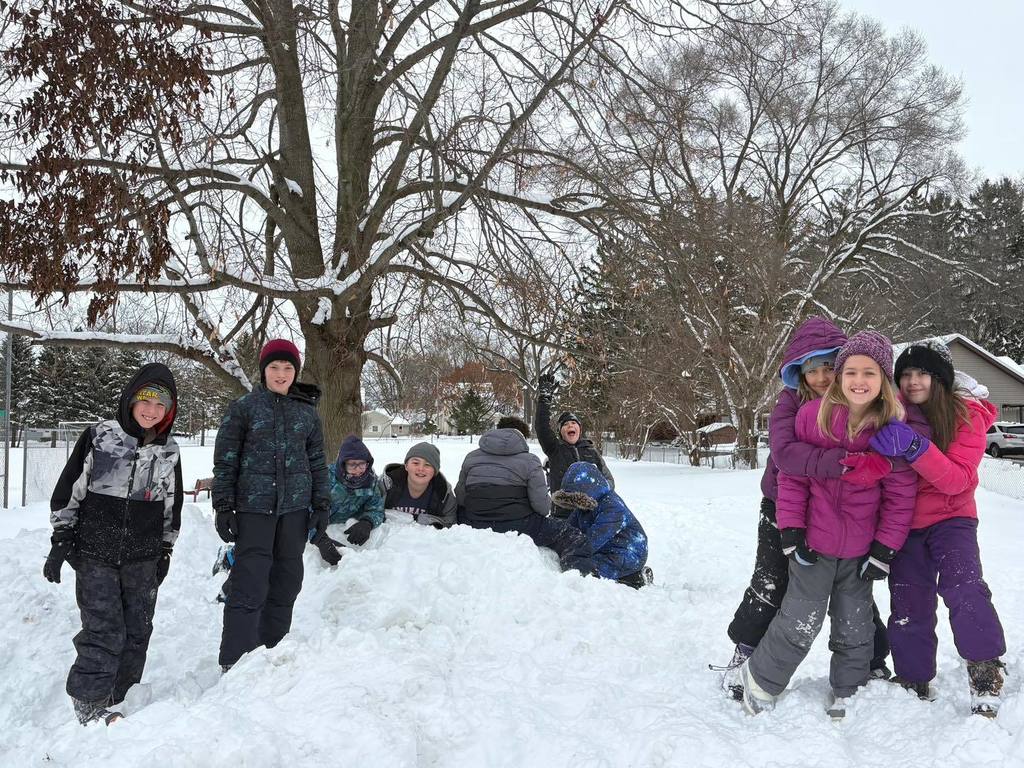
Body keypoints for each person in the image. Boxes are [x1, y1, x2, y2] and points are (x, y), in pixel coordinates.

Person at [738, 331, 918, 720]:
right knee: (800, 620)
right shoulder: (811, 417)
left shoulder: (891, 431)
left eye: (869, 372)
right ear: (839, 376)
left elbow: (900, 496)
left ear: (884, 380)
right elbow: (793, 477)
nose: (858, 380)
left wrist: (884, 549)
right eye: (850, 371)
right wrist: (790, 530)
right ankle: (762, 680)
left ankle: (848, 690)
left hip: (860, 551)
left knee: (855, 627)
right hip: (814, 547)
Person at [869, 340, 1007, 717]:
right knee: (908, 603)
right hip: (906, 524)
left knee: (964, 588)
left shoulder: (967, 414)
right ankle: (913, 677)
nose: (913, 381)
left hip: (952, 518)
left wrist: (915, 447)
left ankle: (985, 669)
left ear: (940, 378)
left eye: (922, 373)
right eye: (906, 374)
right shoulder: (892, 412)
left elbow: (957, 480)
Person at [44, 363, 183, 725]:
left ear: (168, 411)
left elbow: (172, 505)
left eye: (160, 405)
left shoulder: (169, 451)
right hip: (96, 552)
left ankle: (122, 697)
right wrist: (62, 538)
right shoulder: (99, 436)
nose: (151, 411)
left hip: (143, 554)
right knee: (103, 627)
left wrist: (165, 549)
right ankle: (89, 701)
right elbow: (69, 490)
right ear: (132, 398)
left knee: (138, 627)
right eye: (146, 401)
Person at [213, 339, 330, 671]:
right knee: (250, 582)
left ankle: (271, 651)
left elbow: (317, 463)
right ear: (264, 370)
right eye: (275, 367)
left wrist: (321, 506)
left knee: (287, 579)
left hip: (294, 511)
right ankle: (235, 662)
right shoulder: (244, 408)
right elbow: (225, 462)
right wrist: (224, 506)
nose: (282, 374)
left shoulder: (306, 415)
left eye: (288, 368)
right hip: (254, 511)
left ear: (296, 372)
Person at [456, 417, 597, 576]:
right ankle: (581, 578)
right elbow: (542, 507)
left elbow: (461, 497)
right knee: (573, 538)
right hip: (518, 524)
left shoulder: (471, 458)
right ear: (521, 437)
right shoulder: (530, 461)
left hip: (474, 522)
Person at [553, 461, 652, 588]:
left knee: (583, 568)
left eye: (576, 498)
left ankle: (635, 578)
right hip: (607, 548)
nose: (575, 504)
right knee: (576, 560)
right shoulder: (584, 507)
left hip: (629, 552)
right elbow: (569, 530)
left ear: (588, 490)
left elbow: (595, 538)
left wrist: (572, 553)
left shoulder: (612, 507)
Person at [534, 373, 614, 516]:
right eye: (565, 424)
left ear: (579, 429)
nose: (570, 425)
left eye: (573, 423)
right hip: (563, 517)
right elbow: (542, 427)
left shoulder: (592, 452)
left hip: (591, 515)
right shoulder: (555, 449)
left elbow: (608, 480)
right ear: (560, 432)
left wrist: (599, 492)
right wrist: (544, 399)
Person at [378, 442, 457, 528]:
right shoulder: (386, 485)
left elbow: (450, 522)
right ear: (406, 466)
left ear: (435, 472)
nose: (421, 469)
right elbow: (369, 510)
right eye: (415, 463)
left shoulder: (443, 493)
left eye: (427, 465)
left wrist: (428, 521)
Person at [326, 434, 385, 548]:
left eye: (362, 464)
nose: (358, 469)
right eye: (353, 464)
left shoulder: (371, 482)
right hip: (317, 535)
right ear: (343, 464)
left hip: (343, 531)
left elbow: (377, 510)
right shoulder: (325, 477)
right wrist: (319, 539)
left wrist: (367, 522)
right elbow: (304, 512)